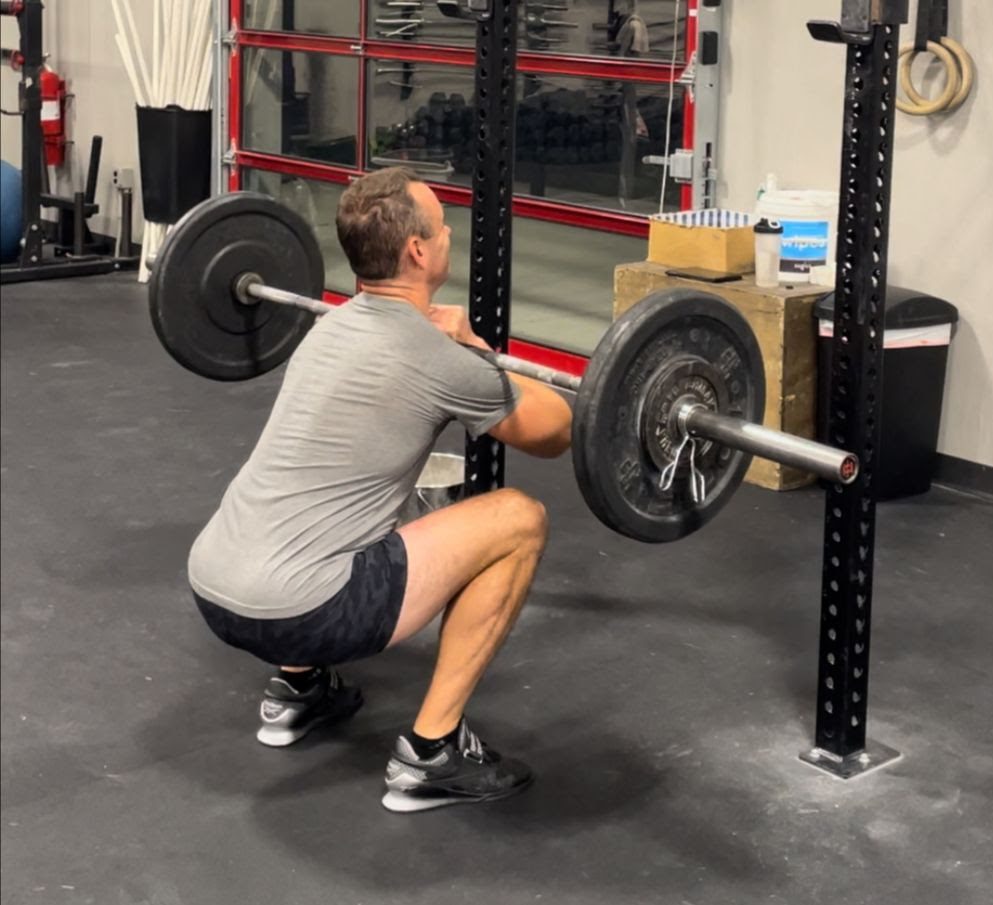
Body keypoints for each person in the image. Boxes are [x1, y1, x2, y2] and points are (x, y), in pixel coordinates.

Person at [187, 167, 573, 813]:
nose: (450, 234)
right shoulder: (437, 358)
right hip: (302, 609)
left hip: (213, 583)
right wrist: (475, 348)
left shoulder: (326, 329)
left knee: (328, 497)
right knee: (519, 517)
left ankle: (298, 691)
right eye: (443, 226)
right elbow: (555, 430)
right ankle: (432, 754)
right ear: (417, 251)